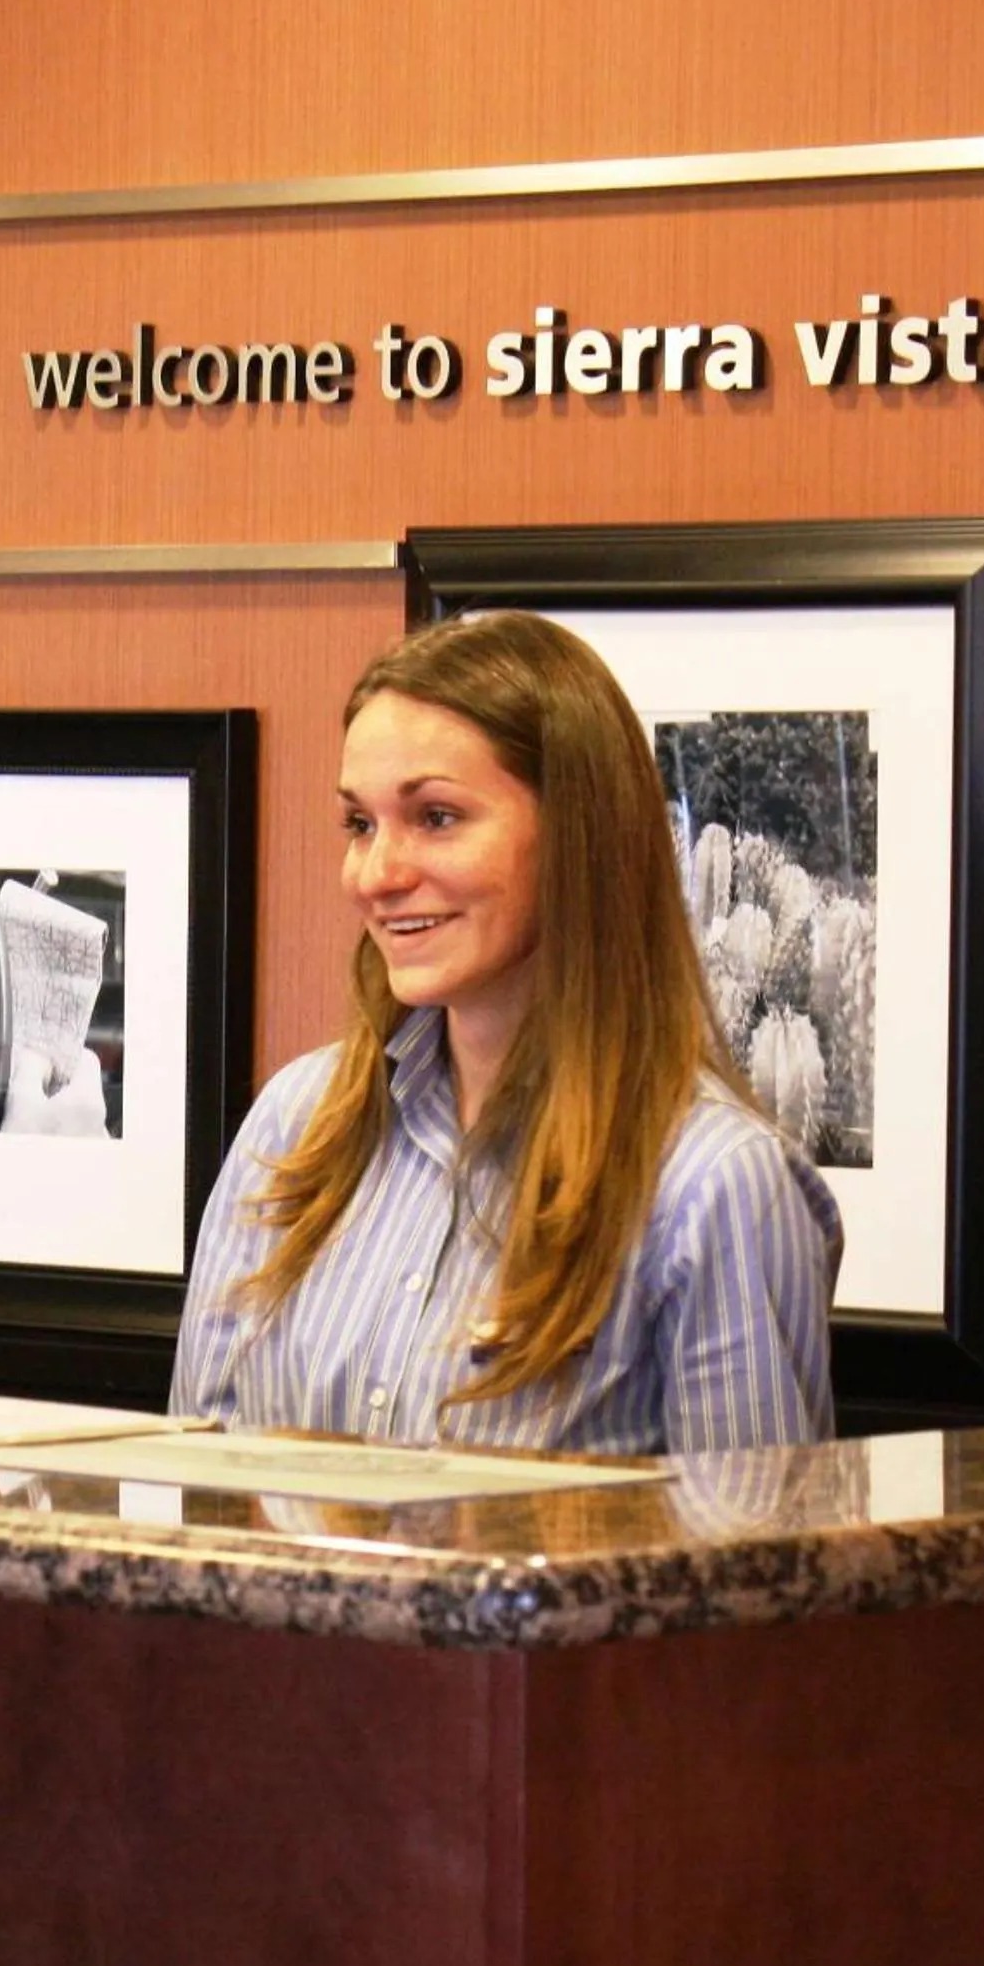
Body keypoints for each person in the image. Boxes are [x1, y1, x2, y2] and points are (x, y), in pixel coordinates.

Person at [171, 610, 842, 1452]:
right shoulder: (295, 1123)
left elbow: (756, 1569)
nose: (377, 874)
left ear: (577, 836)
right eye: (360, 824)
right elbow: (193, 1498)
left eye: (437, 818)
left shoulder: (715, 1187)